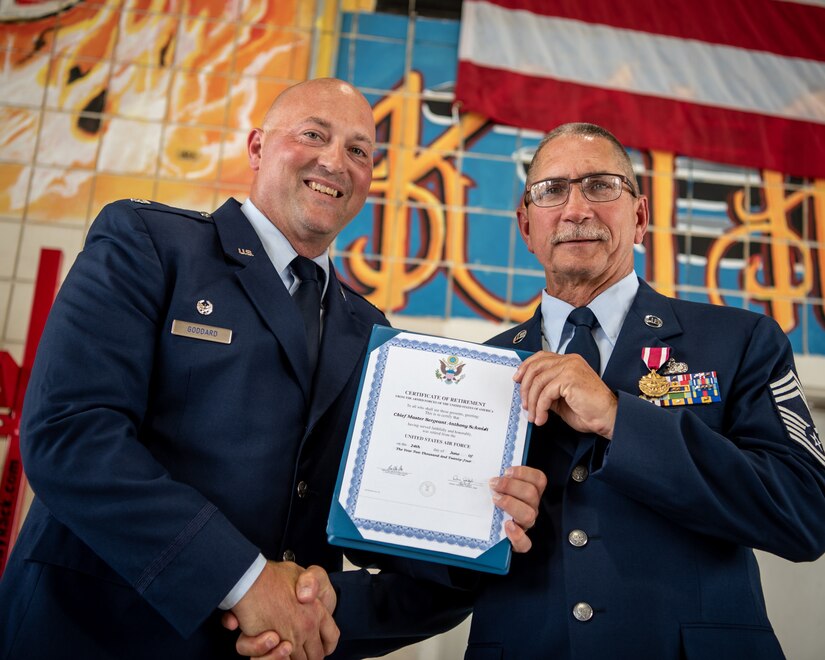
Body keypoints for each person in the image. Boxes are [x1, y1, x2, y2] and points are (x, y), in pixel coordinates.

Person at [0, 78, 544, 660]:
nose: (335, 161)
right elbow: (71, 433)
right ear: (257, 148)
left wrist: (478, 529)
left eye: (359, 151)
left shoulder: (372, 331)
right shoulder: (152, 243)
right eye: (313, 134)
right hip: (92, 635)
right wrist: (245, 581)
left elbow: (377, 515)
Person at [238, 121, 825, 659]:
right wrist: (315, 610)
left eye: (601, 186)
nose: (574, 210)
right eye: (551, 191)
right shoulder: (470, 370)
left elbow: (803, 513)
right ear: (526, 224)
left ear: (640, 217)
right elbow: (439, 569)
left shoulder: (739, 340)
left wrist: (620, 418)